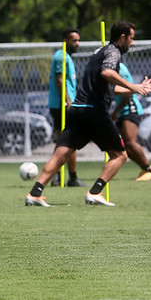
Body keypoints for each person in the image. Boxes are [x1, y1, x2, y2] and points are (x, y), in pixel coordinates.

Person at [25, 21, 151, 207]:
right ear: (122, 37)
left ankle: (34, 193)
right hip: (94, 111)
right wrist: (133, 85)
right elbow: (107, 73)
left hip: (78, 109)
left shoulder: (99, 52)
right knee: (120, 156)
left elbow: (110, 86)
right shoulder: (114, 52)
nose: (132, 43)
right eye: (131, 38)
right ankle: (95, 192)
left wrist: (134, 90)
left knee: (61, 154)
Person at [47, 28, 86, 187]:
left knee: (68, 141)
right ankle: (63, 176)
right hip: (61, 106)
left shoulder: (67, 57)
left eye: (78, 40)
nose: (77, 44)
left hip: (65, 104)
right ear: (65, 40)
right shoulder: (60, 56)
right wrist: (68, 102)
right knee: (66, 141)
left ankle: (68, 177)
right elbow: (59, 80)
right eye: (74, 40)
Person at [112, 62, 151, 181]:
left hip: (130, 109)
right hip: (122, 111)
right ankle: (144, 168)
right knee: (124, 146)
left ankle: (150, 170)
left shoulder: (119, 69)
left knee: (130, 142)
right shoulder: (109, 68)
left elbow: (128, 93)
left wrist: (116, 111)